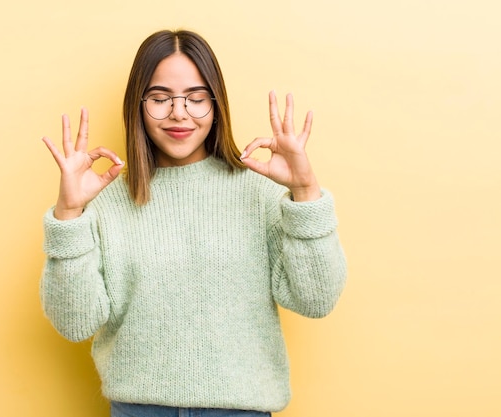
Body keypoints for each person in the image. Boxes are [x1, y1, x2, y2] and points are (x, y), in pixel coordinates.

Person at [40, 29, 347, 417]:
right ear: (137, 105)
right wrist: (68, 215)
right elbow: (74, 323)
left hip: (241, 411)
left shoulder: (262, 192)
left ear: (216, 105)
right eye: (160, 98)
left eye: (197, 98)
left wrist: (305, 191)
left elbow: (316, 300)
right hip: (139, 410)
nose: (179, 112)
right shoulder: (103, 200)